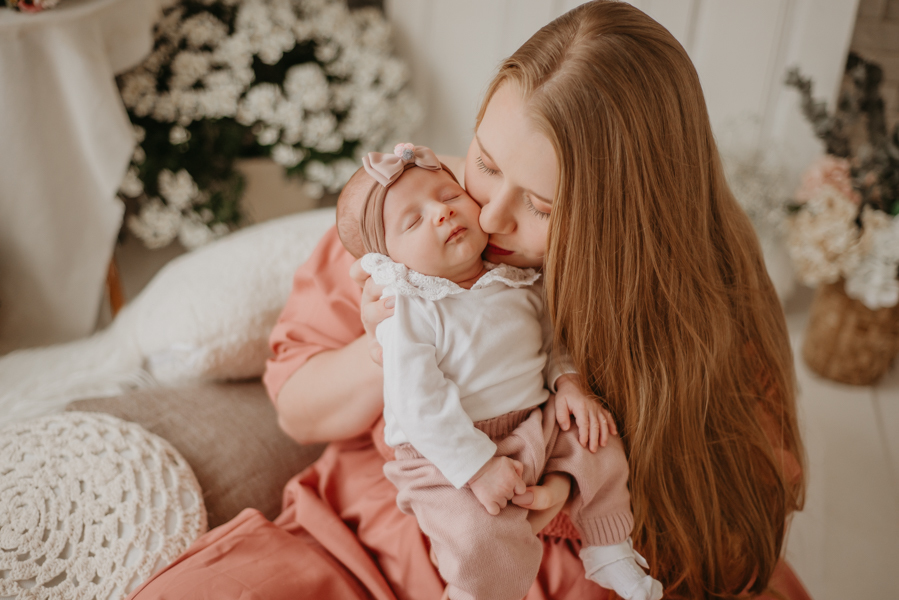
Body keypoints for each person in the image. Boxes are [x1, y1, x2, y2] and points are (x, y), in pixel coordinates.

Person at [128, 2, 810, 599]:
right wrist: (390, 338)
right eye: (485, 162)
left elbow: (733, 522)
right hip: (360, 546)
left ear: (627, 218)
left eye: (542, 207)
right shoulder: (408, 221)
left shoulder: (703, 300)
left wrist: (566, 493)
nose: (488, 216)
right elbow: (298, 411)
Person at [336, 143, 662, 600]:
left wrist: (568, 382)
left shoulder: (516, 279)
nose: (442, 213)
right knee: (475, 534)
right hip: (444, 451)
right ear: (386, 261)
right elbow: (417, 404)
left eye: (450, 196)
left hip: (532, 422)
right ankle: (474, 595)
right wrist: (478, 466)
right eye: (413, 221)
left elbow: (551, 340)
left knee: (596, 438)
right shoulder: (408, 309)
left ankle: (609, 549)